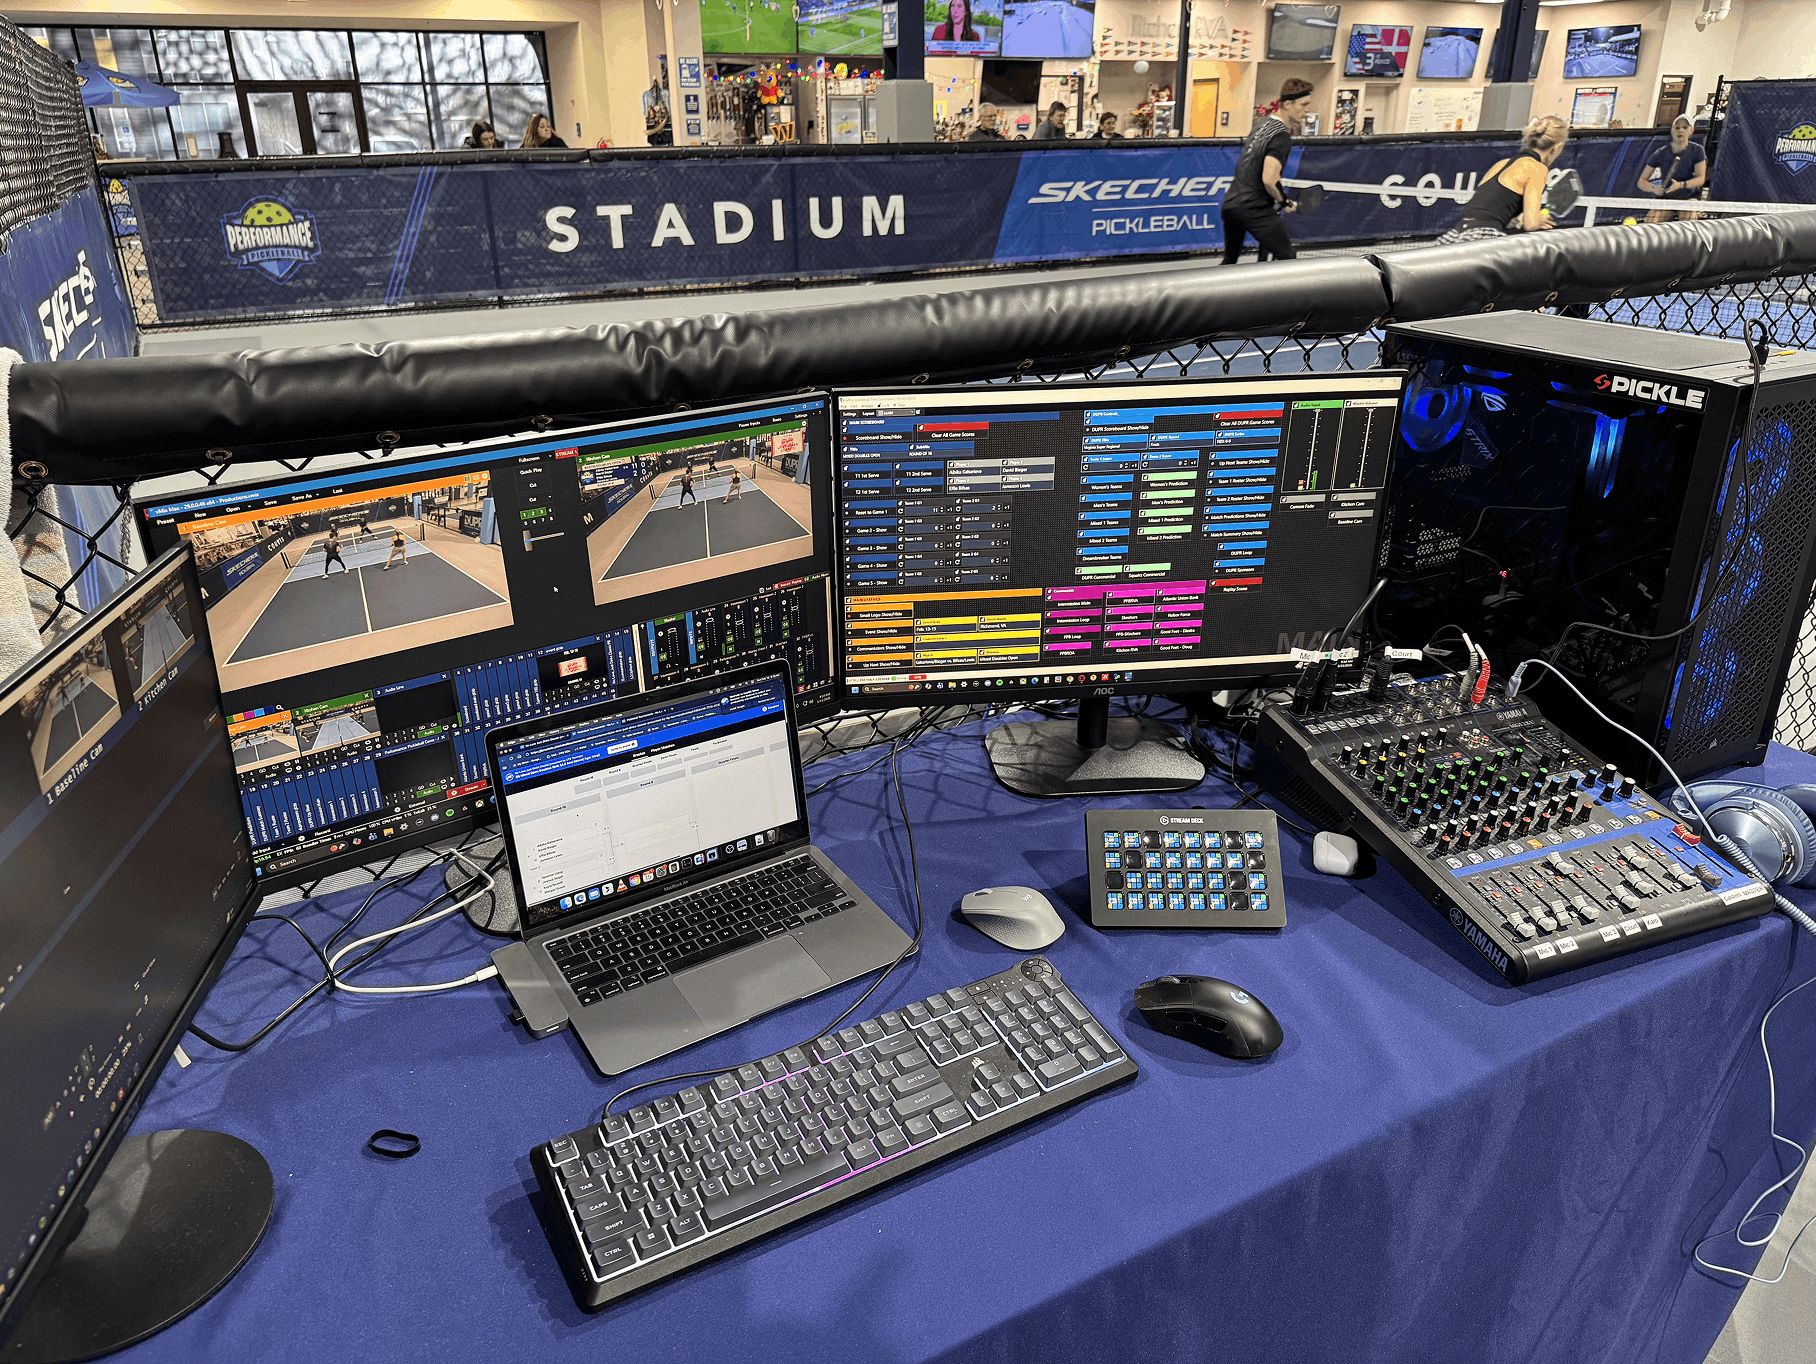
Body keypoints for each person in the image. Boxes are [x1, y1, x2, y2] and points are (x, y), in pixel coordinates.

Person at [1219, 79, 1314, 265]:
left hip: (1231, 204)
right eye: (1303, 105)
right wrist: (1284, 201)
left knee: (1230, 261)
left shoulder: (1260, 126)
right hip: (1253, 208)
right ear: (1287, 104)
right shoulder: (1281, 136)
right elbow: (1269, 180)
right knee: (1287, 258)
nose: (1306, 111)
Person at [1435, 115, 1569, 245]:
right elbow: (1531, 224)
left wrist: (1517, 219)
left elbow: (1489, 206)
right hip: (1484, 237)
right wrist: (1541, 218)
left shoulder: (1501, 164)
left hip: (1455, 234)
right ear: (1557, 147)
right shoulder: (1537, 169)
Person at [1638, 115, 1707, 222]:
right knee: (1651, 221)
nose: (1680, 131)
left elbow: (1701, 179)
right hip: (1666, 200)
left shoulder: (1698, 150)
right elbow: (1641, 181)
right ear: (1672, 130)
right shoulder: (1661, 153)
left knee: (1689, 217)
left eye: (1685, 128)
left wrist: (1680, 185)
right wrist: (1654, 189)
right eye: (1677, 128)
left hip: (1688, 198)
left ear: (1691, 130)